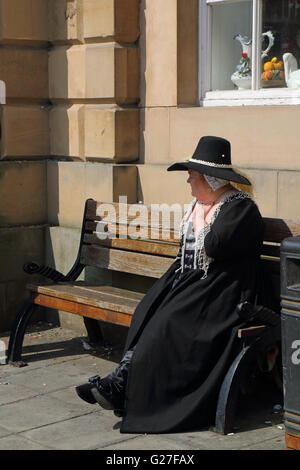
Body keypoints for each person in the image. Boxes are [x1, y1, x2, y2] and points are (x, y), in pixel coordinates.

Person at [75, 135, 273, 434]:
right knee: (148, 311)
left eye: (193, 178)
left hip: (228, 292)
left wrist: (201, 219)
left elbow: (216, 246)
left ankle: (130, 390)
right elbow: (187, 252)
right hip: (200, 284)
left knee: (168, 324)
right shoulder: (204, 205)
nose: (189, 184)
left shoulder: (239, 207)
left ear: (212, 180)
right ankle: (122, 383)